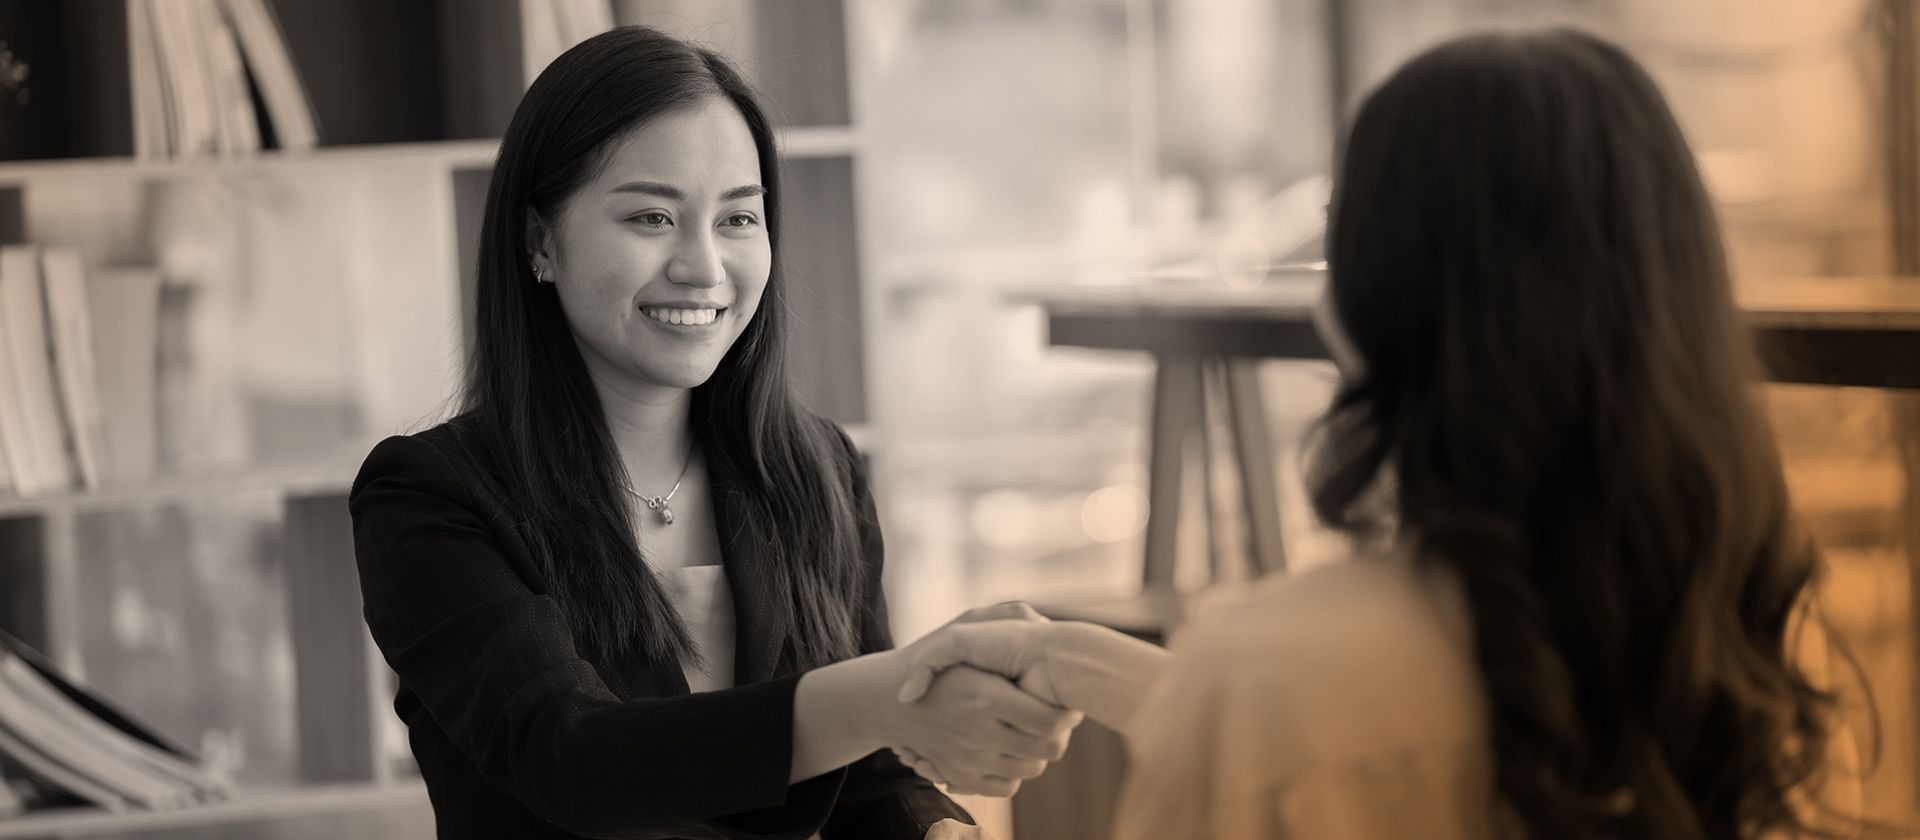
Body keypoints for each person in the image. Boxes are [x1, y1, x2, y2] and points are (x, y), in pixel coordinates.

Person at [895, 28, 1866, 840]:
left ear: (1355, 313)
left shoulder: (1271, 684)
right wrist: (1085, 663)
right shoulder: (1752, 638)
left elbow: (1303, 730)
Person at [349, 27, 1079, 840]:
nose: (703, 266)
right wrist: (889, 691)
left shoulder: (817, 471)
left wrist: (939, 828)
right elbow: (576, 760)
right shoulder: (428, 497)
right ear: (539, 243)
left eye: (738, 218)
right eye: (653, 216)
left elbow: (870, 776)